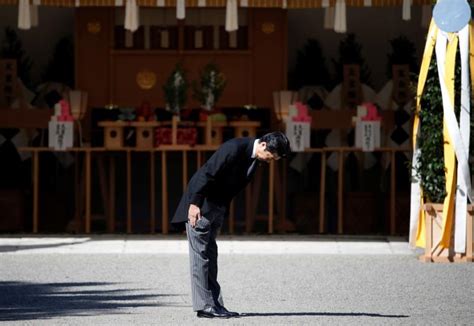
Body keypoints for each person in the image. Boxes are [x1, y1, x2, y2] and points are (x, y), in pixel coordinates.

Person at [171, 131, 291, 318]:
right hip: (201, 206)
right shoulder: (235, 147)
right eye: (271, 157)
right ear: (264, 145)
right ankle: (204, 306)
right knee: (200, 258)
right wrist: (194, 204)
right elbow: (207, 172)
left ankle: (215, 304)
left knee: (211, 256)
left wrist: (221, 212)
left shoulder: (254, 159)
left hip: (215, 208)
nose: (270, 161)